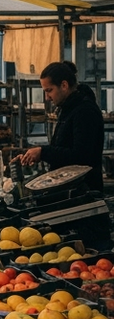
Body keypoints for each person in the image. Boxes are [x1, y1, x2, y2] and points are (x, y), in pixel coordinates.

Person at [20, 61, 110, 247]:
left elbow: (80, 156)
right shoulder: (69, 108)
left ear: (64, 85)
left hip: (84, 200)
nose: (47, 97)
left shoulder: (84, 111)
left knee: (91, 254)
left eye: (49, 90)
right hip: (70, 197)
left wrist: (44, 152)